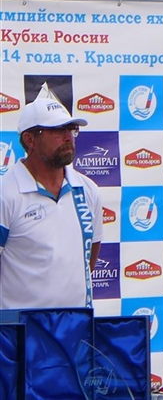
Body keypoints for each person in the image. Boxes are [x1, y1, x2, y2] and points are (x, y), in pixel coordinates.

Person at [0, 97, 103, 310]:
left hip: (76, 324)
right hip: (21, 327)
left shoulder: (87, 189)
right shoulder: (5, 193)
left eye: (71, 129)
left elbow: (88, 259)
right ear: (30, 139)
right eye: (57, 130)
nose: (68, 137)